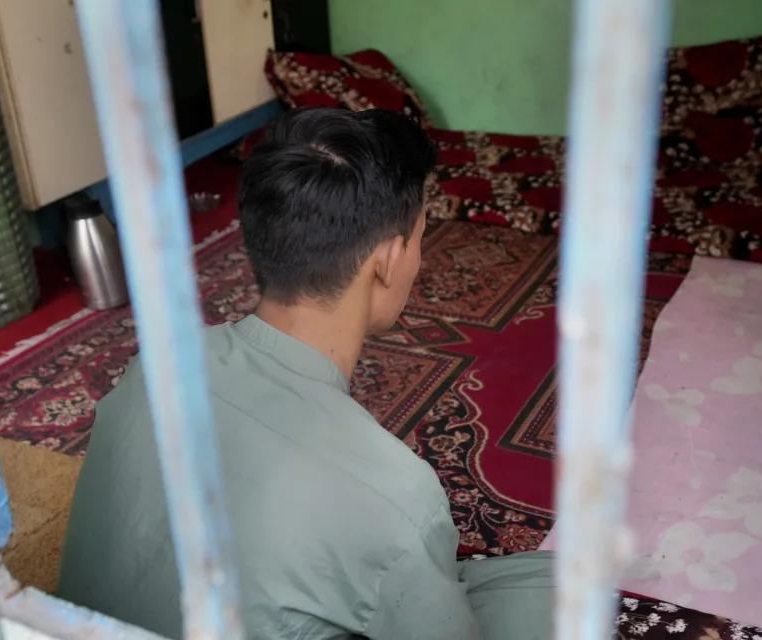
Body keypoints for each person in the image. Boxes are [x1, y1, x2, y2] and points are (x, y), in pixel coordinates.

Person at [57, 107, 555, 639]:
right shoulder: (397, 497)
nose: (418, 261)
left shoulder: (158, 365)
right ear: (387, 259)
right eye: (418, 239)